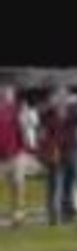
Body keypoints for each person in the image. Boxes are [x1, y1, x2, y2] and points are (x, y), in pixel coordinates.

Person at [38, 88, 77, 227]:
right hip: (54, 152)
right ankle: (52, 217)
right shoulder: (47, 115)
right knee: (53, 185)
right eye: (59, 97)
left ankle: (68, 215)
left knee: (69, 185)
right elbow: (42, 128)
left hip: (70, 151)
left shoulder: (73, 113)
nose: (62, 100)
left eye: (65, 97)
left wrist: (75, 102)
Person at [0, 82, 28, 227]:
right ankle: (14, 214)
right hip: (2, 156)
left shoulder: (17, 110)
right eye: (4, 93)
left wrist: (26, 149)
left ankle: (18, 215)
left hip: (17, 153)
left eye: (9, 93)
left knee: (18, 184)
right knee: (11, 186)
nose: (6, 95)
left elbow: (23, 130)